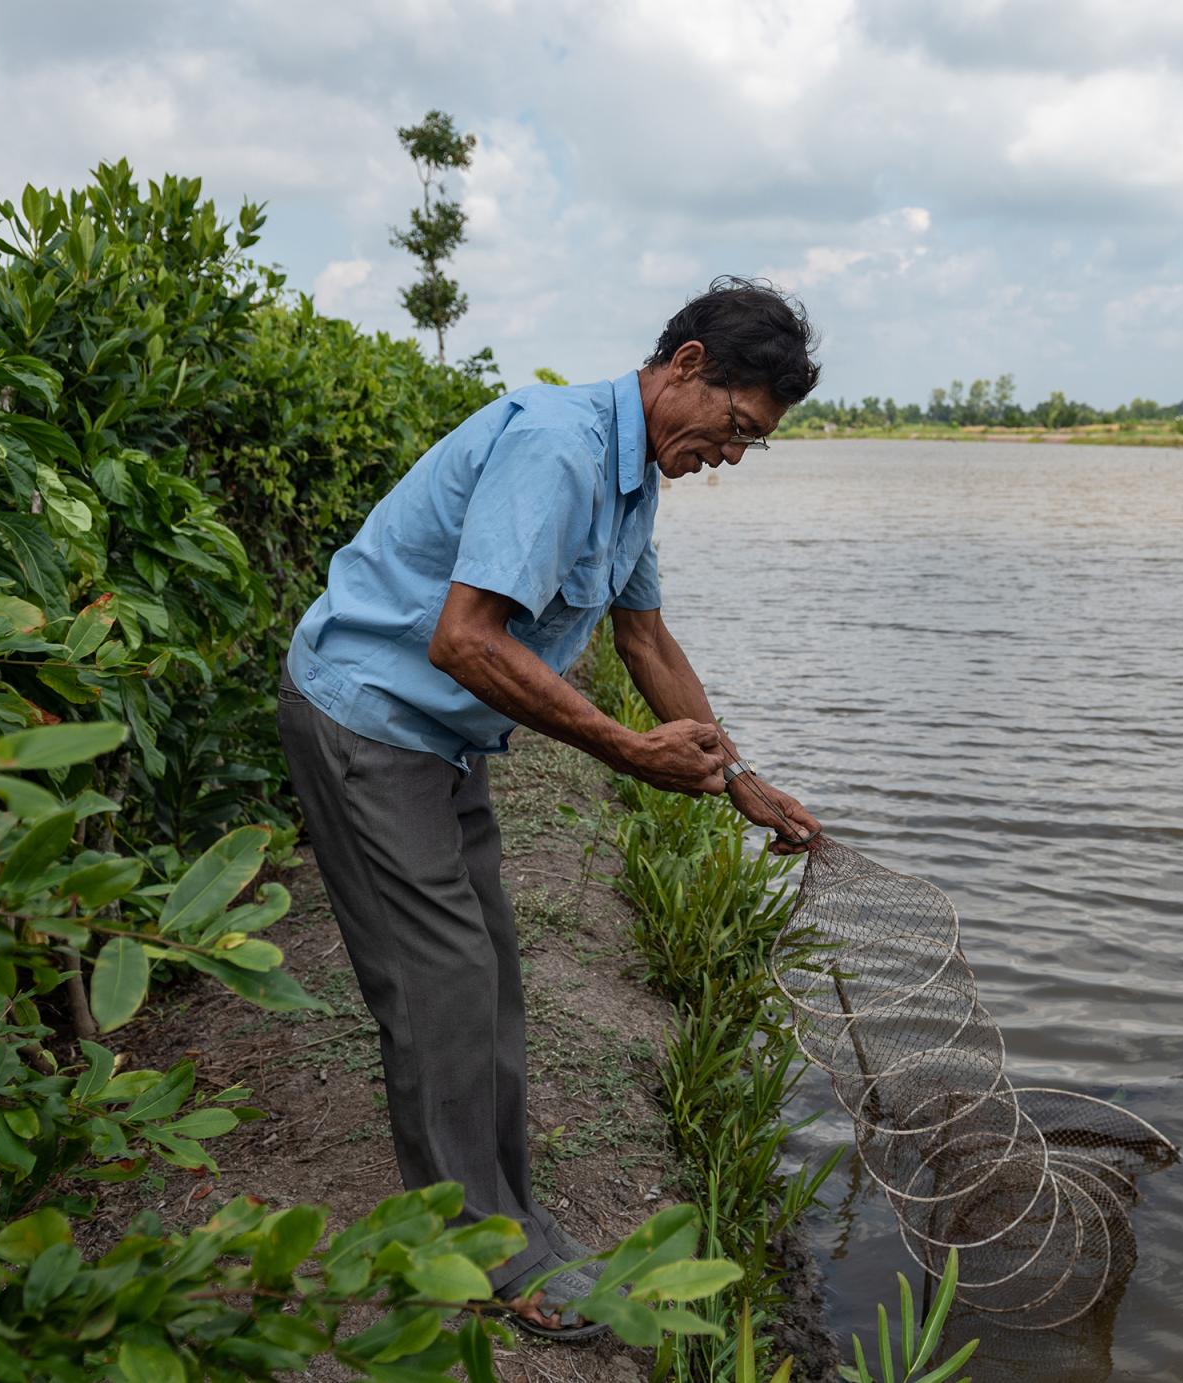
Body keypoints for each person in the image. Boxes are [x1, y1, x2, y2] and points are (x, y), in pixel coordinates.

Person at [276, 277, 824, 1339]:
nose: (734, 455)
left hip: (439, 735)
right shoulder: (560, 449)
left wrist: (738, 782)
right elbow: (464, 640)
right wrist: (624, 750)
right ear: (688, 366)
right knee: (439, 987)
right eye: (738, 428)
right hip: (370, 721)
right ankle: (472, 1258)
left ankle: (510, 1216)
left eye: (754, 443)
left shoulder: (630, 478)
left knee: (491, 983)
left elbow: (645, 642)